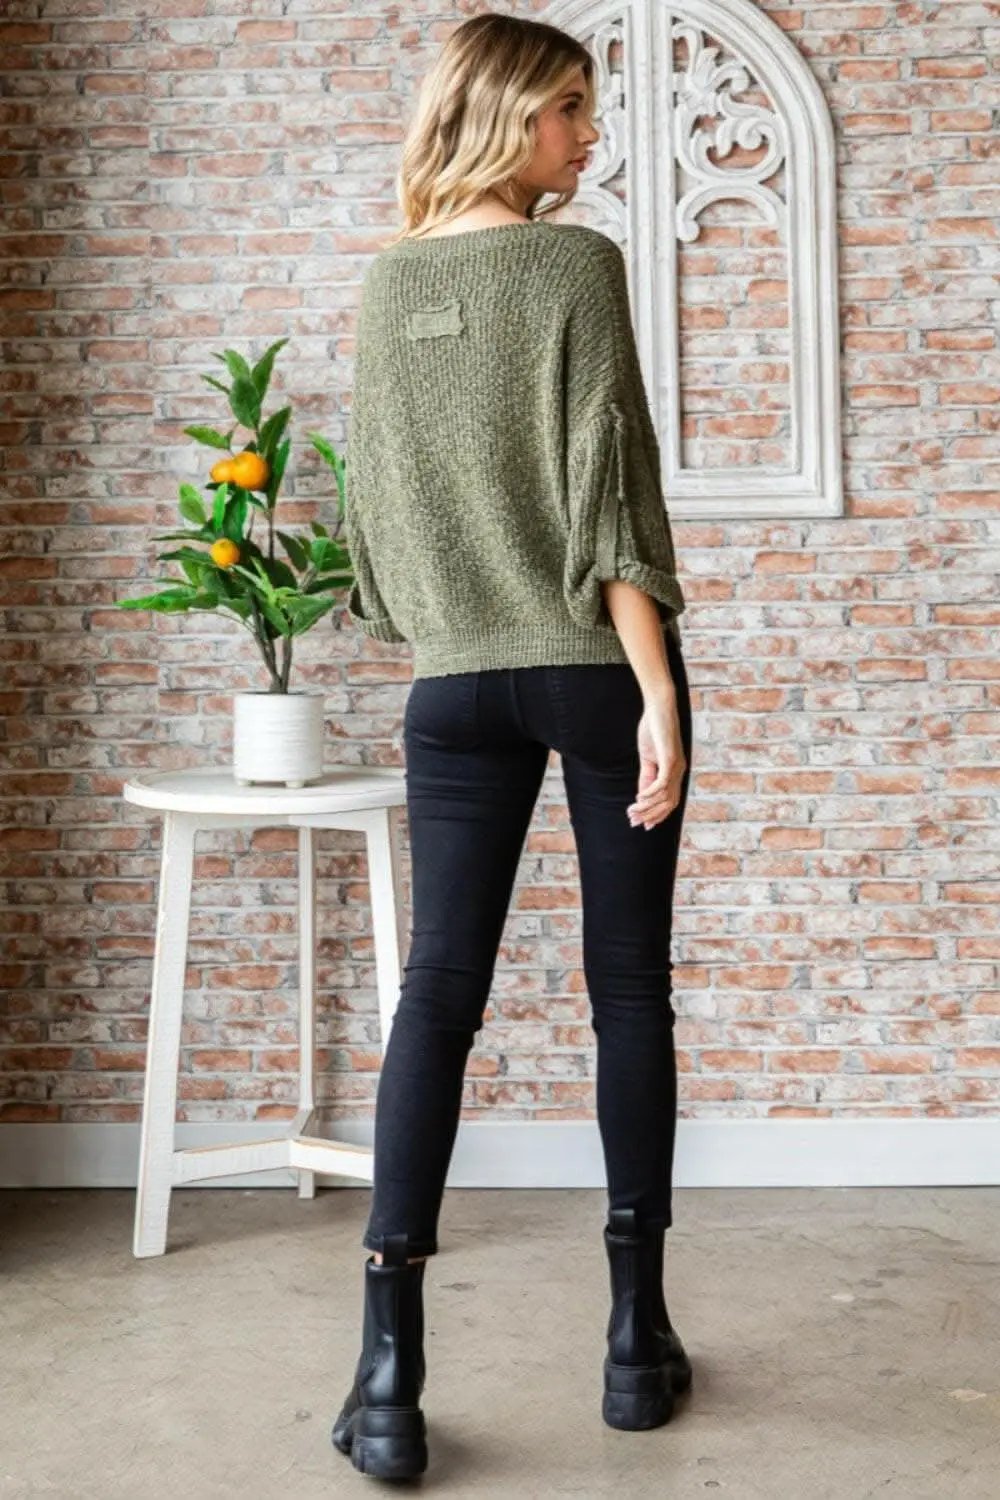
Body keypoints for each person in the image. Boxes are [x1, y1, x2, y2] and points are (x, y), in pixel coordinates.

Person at [331, 11, 693, 1481]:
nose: (589, 139)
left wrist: (451, 618)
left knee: (436, 999)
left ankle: (387, 1372)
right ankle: (633, 1342)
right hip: (594, 673)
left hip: (452, 686)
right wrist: (657, 690)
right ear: (501, 115)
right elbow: (610, 492)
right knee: (629, 993)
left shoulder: (389, 284)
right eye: (568, 113)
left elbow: (369, 524)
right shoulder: (574, 265)